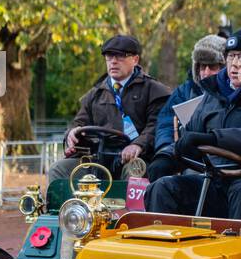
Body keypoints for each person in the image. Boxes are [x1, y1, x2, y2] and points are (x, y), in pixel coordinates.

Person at [143, 26, 241, 221]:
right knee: (164, 187)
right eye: (231, 56)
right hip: (215, 181)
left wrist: (215, 139)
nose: (234, 64)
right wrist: (167, 156)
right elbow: (190, 135)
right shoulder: (214, 94)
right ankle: (164, 248)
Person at [49, 34, 171, 185]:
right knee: (58, 169)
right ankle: (70, 209)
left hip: (136, 157)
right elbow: (79, 122)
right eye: (109, 56)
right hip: (98, 158)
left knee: (135, 170)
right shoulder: (95, 93)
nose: (113, 61)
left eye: (120, 56)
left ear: (135, 59)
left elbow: (156, 125)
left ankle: (132, 210)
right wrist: (72, 133)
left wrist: (138, 144)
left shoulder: (153, 90)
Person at [148, 34, 226, 182]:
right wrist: (165, 149)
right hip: (185, 152)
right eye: (203, 66)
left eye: (213, 66)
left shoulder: (232, 93)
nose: (207, 72)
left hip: (219, 156)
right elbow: (165, 124)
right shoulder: (184, 91)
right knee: (159, 168)